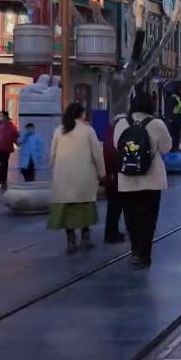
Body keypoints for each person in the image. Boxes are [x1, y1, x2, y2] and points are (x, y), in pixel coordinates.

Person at [113, 92, 173, 268]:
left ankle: (135, 252)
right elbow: (166, 148)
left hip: (127, 179)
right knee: (148, 219)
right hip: (151, 180)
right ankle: (143, 255)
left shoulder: (121, 123)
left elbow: (116, 145)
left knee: (130, 218)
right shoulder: (157, 124)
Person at [49, 103, 106, 253]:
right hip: (84, 178)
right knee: (85, 209)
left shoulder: (59, 131)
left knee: (67, 210)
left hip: (63, 179)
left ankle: (71, 240)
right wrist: (102, 173)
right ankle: (85, 237)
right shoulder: (88, 130)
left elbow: (52, 156)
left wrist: (56, 170)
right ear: (81, 114)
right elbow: (97, 154)